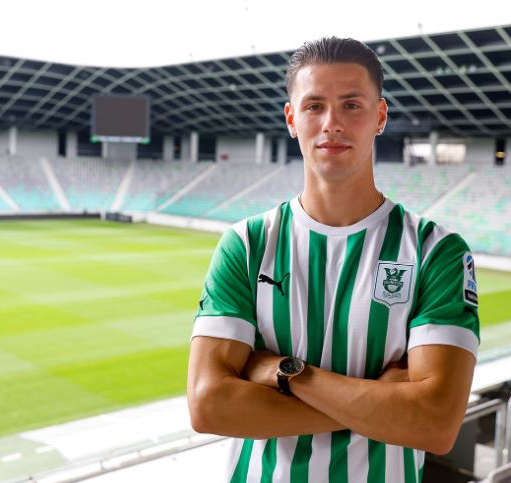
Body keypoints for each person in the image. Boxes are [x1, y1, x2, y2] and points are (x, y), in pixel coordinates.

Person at [187, 37, 479, 483]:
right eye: (314, 106)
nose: (332, 124)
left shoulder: (435, 251)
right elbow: (209, 405)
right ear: (291, 119)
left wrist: (288, 373)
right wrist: (378, 404)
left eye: (351, 105)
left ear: (380, 116)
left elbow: (435, 424)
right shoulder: (245, 245)